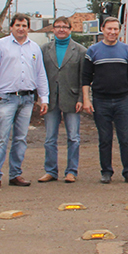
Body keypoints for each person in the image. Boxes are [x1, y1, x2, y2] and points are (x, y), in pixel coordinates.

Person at [0, 13, 48, 190]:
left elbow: (40, 73)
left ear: (28, 28)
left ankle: (15, 174)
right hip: (6, 97)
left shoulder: (34, 48)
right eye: (18, 25)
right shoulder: (0, 45)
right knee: (1, 138)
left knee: (21, 138)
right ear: (11, 27)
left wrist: (44, 97)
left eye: (24, 25)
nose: (21, 28)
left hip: (27, 99)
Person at [81, 17, 128, 184]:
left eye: (116, 29)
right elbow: (85, 78)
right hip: (101, 101)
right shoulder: (92, 51)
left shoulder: (127, 51)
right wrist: (86, 99)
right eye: (109, 29)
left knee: (125, 138)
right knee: (105, 139)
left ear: (119, 30)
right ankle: (106, 171)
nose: (113, 32)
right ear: (103, 29)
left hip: (122, 100)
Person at [40, 16, 87, 184]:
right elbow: (39, 75)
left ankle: (71, 171)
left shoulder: (80, 50)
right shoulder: (44, 49)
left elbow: (84, 78)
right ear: (53, 29)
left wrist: (82, 98)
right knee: (50, 138)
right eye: (58, 26)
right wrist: (41, 97)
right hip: (50, 98)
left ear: (70, 29)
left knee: (73, 137)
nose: (61, 29)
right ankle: (50, 170)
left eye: (64, 27)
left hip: (72, 98)